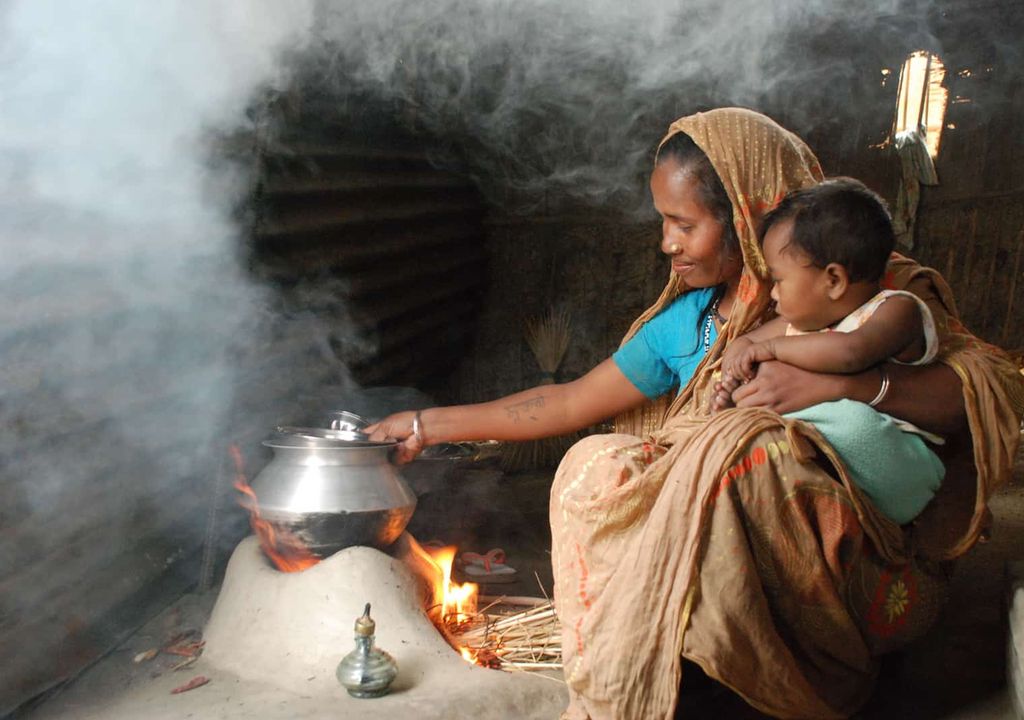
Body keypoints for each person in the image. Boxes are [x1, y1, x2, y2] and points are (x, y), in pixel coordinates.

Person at [367, 108, 1023, 719]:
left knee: (751, 458)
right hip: (719, 535)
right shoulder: (692, 322)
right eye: (663, 222)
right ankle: (664, 670)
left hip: (865, 559)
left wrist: (833, 388)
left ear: (746, 215)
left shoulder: (864, 284)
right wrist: (426, 426)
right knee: (596, 464)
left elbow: (975, 396)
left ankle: (788, 680)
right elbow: (566, 402)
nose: (666, 244)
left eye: (684, 224)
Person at [712, 178, 944, 525]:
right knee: (761, 416)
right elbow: (746, 343)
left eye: (778, 279)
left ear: (833, 280)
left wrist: (773, 349)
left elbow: (851, 352)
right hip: (842, 474)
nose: (772, 294)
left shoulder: (895, 310)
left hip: (899, 470)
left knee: (851, 420)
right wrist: (735, 373)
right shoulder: (800, 320)